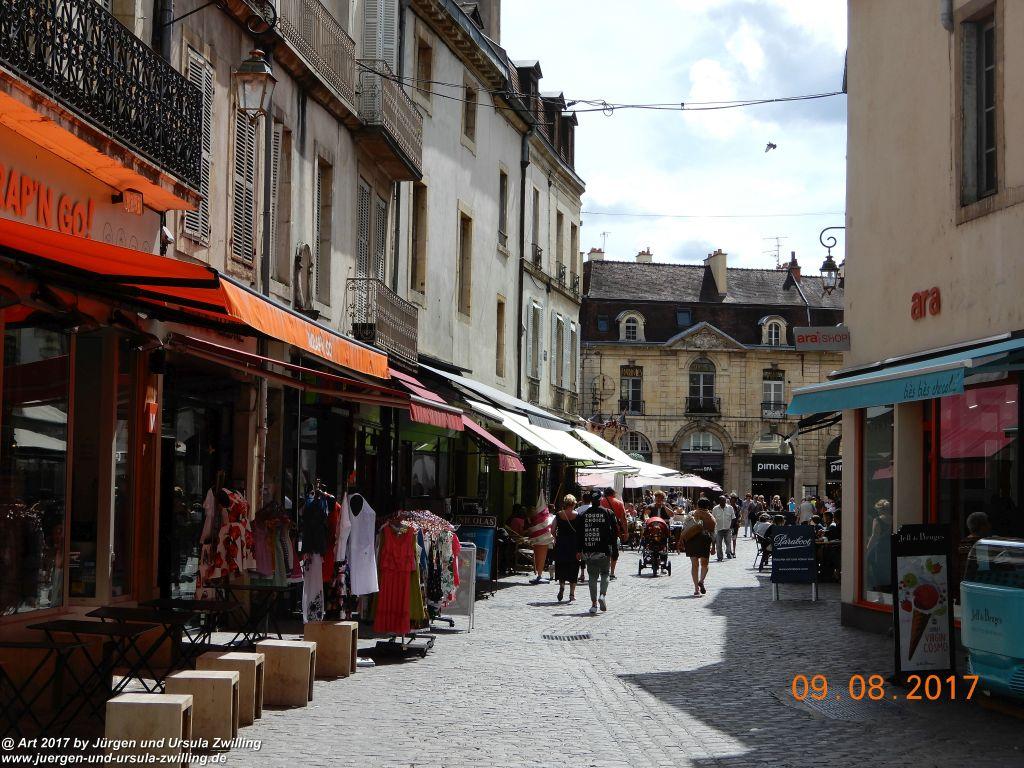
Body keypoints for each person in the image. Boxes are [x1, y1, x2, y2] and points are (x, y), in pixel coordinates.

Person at [576, 490, 619, 615]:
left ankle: (594, 604)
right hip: (604, 549)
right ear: (601, 499)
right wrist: (614, 549)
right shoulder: (608, 513)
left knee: (592, 577)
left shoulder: (584, 514)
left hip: (589, 549)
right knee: (605, 573)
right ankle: (602, 595)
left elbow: (579, 534)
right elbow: (615, 532)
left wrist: (579, 550)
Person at [552, 494, 581, 602]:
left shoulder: (559, 515)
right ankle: (572, 594)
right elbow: (580, 532)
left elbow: (552, 529)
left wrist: (555, 538)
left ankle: (562, 586)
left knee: (561, 566)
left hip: (561, 544)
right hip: (574, 544)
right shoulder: (577, 515)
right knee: (573, 567)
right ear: (574, 504)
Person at [685, 498, 716, 596]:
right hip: (704, 540)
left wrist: (682, 540)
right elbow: (713, 533)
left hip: (692, 540)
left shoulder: (691, 514)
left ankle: (696, 589)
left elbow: (685, 527)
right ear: (708, 506)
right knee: (704, 564)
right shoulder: (710, 516)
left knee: (694, 564)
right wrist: (713, 546)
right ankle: (701, 581)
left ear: (697, 505)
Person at [601, 487, 628, 580]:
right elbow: (623, 519)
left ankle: (603, 570)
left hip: (601, 530)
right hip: (614, 530)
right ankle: (612, 572)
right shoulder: (619, 503)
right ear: (613, 493)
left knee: (601, 550)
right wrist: (626, 532)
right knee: (614, 551)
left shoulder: (600, 502)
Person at [526, 503, 554, 584]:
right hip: (538, 539)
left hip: (543, 539)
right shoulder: (534, 519)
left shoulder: (547, 517)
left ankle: (540, 574)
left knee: (542, 558)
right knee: (541, 557)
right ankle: (539, 574)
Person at [712, 495, 735, 561]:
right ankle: (720, 557)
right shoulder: (715, 509)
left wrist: (731, 527)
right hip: (718, 529)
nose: (723, 501)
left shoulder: (730, 508)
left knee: (728, 543)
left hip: (727, 529)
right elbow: (713, 519)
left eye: (724, 500)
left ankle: (728, 553)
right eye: (722, 500)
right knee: (718, 544)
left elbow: (733, 518)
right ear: (719, 501)